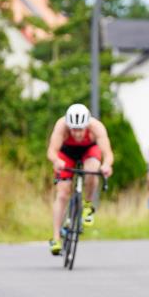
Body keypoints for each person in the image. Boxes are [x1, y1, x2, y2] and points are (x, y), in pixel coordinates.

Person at [46, 103, 114, 255]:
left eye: (80, 129)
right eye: (74, 130)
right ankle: (56, 238)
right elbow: (51, 151)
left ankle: (88, 206)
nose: (77, 134)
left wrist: (107, 165)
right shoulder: (61, 125)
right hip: (66, 153)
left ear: (87, 125)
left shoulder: (97, 127)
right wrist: (56, 161)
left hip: (89, 150)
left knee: (92, 170)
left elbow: (108, 154)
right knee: (62, 193)